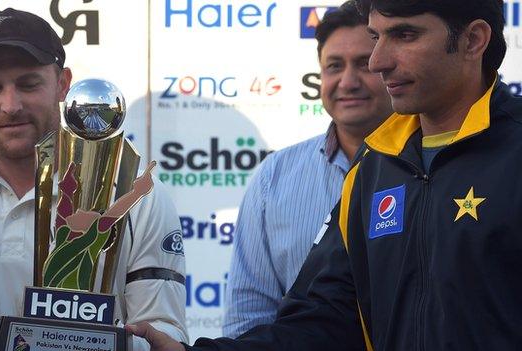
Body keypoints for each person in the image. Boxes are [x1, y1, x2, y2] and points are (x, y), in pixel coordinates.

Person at [127, 0, 522, 349]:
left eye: (404, 35)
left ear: (473, 40)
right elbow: (320, 323)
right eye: (377, 36)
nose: (378, 60)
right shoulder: (374, 166)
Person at [0, 8, 188, 351]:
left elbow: (162, 335)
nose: (10, 105)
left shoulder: (133, 192)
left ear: (62, 84)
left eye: (28, 84)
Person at [222, 1, 391, 338]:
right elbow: (249, 313)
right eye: (334, 66)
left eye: (364, 64)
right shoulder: (275, 176)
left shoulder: (429, 166)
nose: (348, 81)